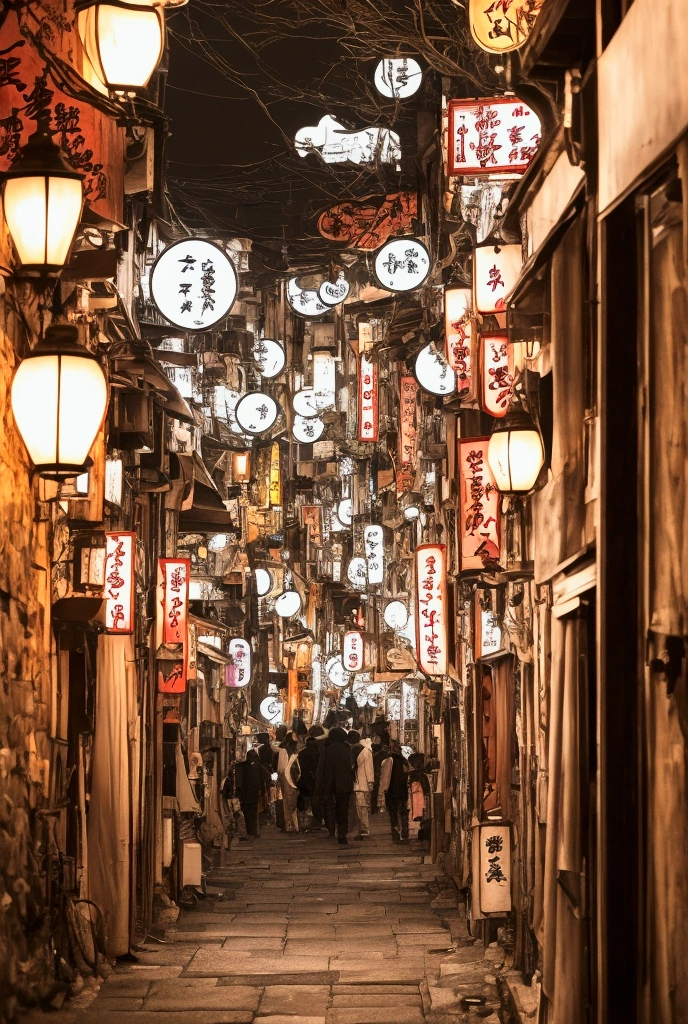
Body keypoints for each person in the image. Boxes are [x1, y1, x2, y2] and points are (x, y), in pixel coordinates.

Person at [321, 726, 354, 844]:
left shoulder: (328, 750)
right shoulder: (347, 749)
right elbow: (351, 767)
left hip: (331, 784)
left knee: (330, 807)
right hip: (345, 784)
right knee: (343, 809)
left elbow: (325, 769)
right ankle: (342, 833)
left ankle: (332, 830)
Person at [379, 739, 410, 843]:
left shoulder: (388, 760)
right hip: (402, 791)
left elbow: (384, 777)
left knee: (393, 815)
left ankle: (396, 835)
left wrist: (382, 791)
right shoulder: (403, 761)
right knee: (403, 814)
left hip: (391, 792)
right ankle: (404, 834)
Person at [234, 750, 268, 837]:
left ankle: (249, 831)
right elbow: (266, 775)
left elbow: (239, 781)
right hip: (254, 794)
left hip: (245, 795)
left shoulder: (242, 766)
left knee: (246, 813)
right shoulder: (258, 765)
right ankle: (254, 831)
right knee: (253, 813)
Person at [297, 725, 325, 829]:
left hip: (306, 780)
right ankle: (319, 819)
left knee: (310, 800)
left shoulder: (302, 753)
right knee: (318, 800)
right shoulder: (321, 751)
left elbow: (301, 768)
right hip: (318, 779)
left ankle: (314, 820)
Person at [348, 731, 374, 839]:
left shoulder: (353, 751)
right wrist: (371, 782)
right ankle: (363, 828)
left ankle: (364, 828)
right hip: (362, 784)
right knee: (362, 807)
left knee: (361, 807)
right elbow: (369, 768)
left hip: (359, 784)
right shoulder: (364, 751)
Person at [277, 731, 301, 832]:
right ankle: (290, 824)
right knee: (289, 802)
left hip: (291, 779)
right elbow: (281, 769)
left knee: (289, 801)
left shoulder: (289, 750)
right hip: (289, 779)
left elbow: (280, 769)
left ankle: (292, 825)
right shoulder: (285, 751)